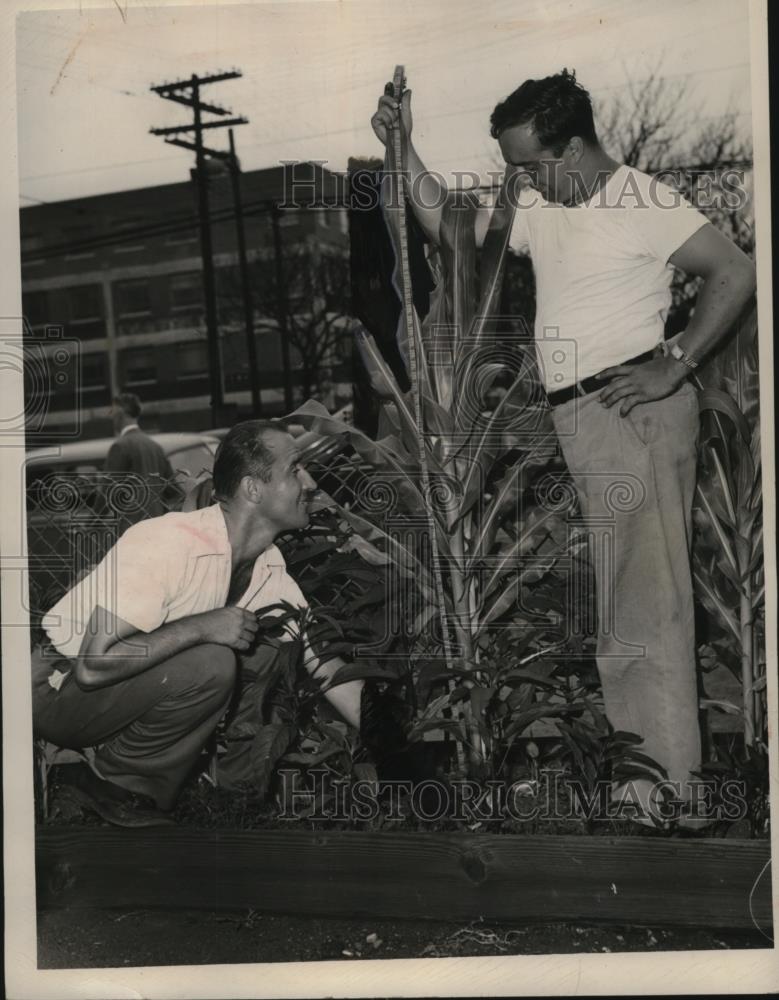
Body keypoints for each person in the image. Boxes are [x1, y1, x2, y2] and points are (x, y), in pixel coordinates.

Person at [371, 69, 756, 826]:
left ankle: (668, 802)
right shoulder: (547, 203)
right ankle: (646, 790)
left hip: (629, 413)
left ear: (573, 146)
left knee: (648, 611)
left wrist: (672, 364)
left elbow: (733, 270)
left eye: (529, 164)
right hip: (582, 420)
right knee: (624, 610)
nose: (519, 180)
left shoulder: (640, 198)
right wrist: (400, 144)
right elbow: (446, 228)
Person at [32, 420, 363, 827]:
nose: (310, 482)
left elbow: (330, 670)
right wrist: (203, 626)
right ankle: (110, 784)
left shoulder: (268, 570)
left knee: (271, 648)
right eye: (295, 469)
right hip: (53, 686)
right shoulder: (170, 542)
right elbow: (91, 665)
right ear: (253, 490)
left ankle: (230, 798)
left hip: (108, 699)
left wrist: (396, 741)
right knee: (213, 661)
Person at [105, 391, 179, 522]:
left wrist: (91, 522)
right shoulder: (155, 447)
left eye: (112, 411)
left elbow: (107, 489)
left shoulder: (120, 446)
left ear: (120, 414)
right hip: (156, 523)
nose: (111, 416)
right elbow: (173, 490)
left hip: (131, 525)